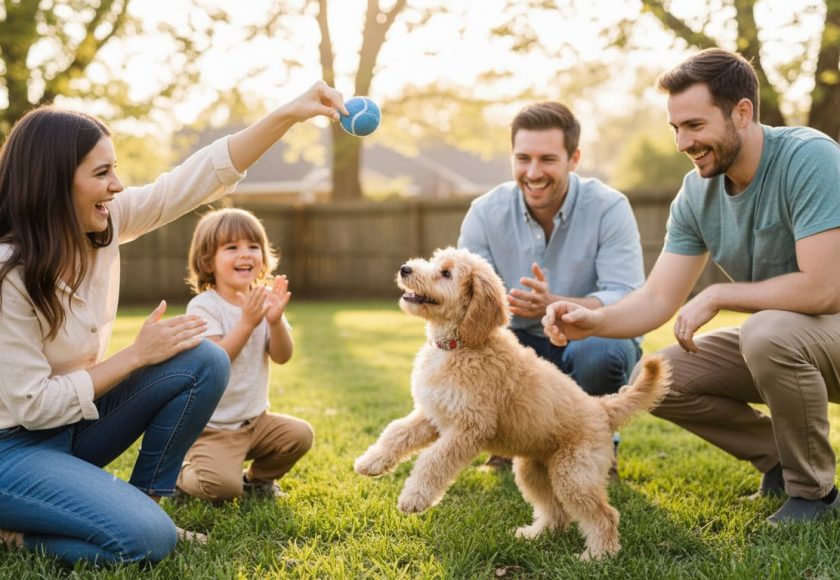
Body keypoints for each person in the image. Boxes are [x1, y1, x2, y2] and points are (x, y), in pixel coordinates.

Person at [0, 81, 347, 565]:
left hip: (71, 428)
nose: (117, 186)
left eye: (115, 170)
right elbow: (33, 407)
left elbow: (196, 178)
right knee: (146, 542)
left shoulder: (103, 223)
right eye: (102, 173)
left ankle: (149, 502)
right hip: (11, 451)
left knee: (202, 358)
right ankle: (14, 534)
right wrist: (137, 355)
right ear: (56, 184)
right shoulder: (9, 276)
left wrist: (288, 114)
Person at [542, 48, 840, 525]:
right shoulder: (696, 193)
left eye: (695, 126)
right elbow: (659, 297)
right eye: (676, 128)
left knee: (765, 333)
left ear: (742, 113)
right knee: (662, 379)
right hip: (792, 341)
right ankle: (781, 462)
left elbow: (825, 290)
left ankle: (815, 495)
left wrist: (719, 293)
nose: (683, 141)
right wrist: (593, 321)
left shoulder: (810, 159)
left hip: (824, 331)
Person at [457, 101, 645, 470]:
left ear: (574, 159)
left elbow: (626, 294)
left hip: (585, 337)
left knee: (602, 354)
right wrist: (502, 307)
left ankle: (595, 443)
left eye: (547, 159)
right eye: (523, 158)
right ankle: (507, 442)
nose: (533, 172)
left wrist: (555, 303)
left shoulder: (609, 207)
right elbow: (462, 296)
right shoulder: (485, 211)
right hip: (515, 343)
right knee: (472, 348)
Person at [175, 208, 313, 502]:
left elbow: (282, 356)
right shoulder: (204, 306)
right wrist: (248, 322)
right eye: (232, 247)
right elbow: (216, 360)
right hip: (212, 429)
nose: (245, 254)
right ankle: (180, 470)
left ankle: (258, 481)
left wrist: (274, 322)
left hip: (255, 422)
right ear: (208, 261)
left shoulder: (262, 300)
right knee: (222, 490)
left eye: (253, 246)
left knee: (300, 436)